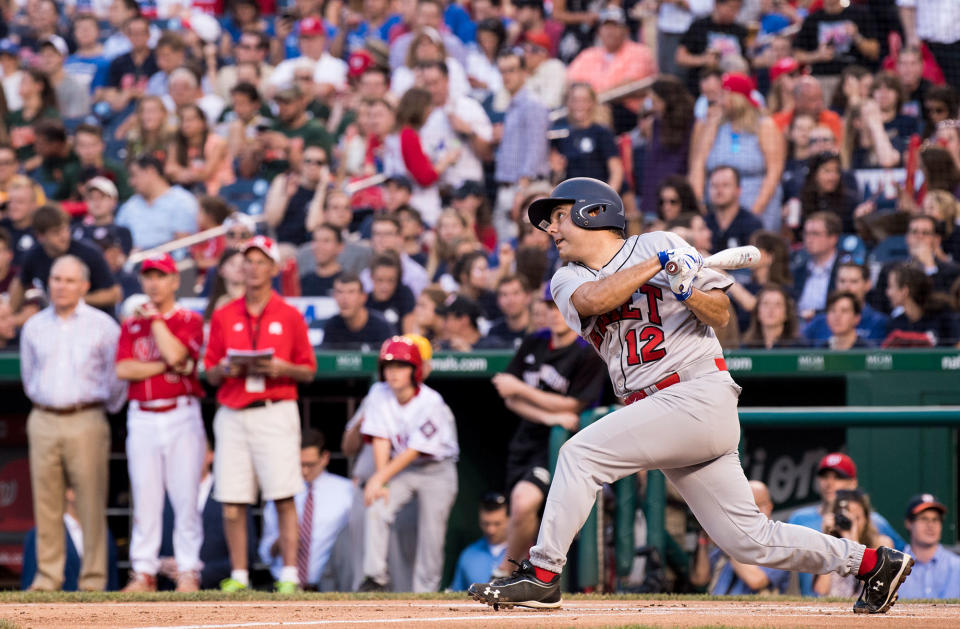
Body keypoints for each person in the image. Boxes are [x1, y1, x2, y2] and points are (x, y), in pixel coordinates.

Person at [467, 177, 914, 614]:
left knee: (578, 455)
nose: (552, 229)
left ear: (593, 213)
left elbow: (720, 314)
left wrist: (686, 289)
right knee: (749, 539)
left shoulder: (658, 241)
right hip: (659, 410)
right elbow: (596, 299)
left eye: (560, 217)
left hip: (697, 392)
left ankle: (543, 576)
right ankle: (874, 563)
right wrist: (659, 266)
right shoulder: (567, 278)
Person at [203, 236, 317, 593]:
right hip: (234, 409)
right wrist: (224, 368)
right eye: (247, 261)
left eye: (259, 261)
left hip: (274, 408)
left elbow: (309, 370)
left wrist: (282, 366)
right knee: (232, 500)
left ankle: (288, 574)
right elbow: (208, 371)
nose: (252, 267)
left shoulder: (290, 314)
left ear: (273, 268)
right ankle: (239, 575)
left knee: (283, 494)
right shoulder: (224, 314)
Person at [20, 255, 127, 591]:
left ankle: (93, 580)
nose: (61, 286)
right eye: (56, 279)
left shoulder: (104, 325)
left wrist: (98, 409)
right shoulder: (34, 326)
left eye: (69, 280)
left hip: (87, 416)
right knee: (46, 502)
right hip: (43, 416)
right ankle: (47, 577)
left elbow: (117, 381)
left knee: (91, 500)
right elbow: (28, 376)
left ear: (84, 285)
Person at [489, 285, 606, 578]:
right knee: (519, 509)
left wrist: (523, 391)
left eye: (561, 306)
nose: (555, 314)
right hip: (526, 440)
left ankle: (506, 571)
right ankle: (517, 573)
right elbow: (509, 394)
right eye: (550, 306)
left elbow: (574, 405)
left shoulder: (588, 350)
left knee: (524, 502)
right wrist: (546, 412)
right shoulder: (535, 342)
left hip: (562, 445)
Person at [114, 253, 206, 593]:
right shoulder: (130, 323)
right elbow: (123, 370)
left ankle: (187, 569)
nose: (153, 283)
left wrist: (156, 322)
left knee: (185, 496)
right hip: (142, 414)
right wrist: (167, 367)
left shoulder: (188, 319)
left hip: (181, 412)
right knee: (145, 497)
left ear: (173, 281)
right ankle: (143, 571)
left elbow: (178, 356)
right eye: (148, 276)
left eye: (160, 276)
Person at [359, 336, 459, 592]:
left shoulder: (431, 401)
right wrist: (381, 480)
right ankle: (375, 578)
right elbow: (380, 438)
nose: (393, 373)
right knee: (377, 505)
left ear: (415, 370)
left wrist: (380, 477)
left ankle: (426, 591)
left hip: (437, 470)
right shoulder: (378, 393)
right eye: (389, 366)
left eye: (401, 366)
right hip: (403, 469)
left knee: (431, 534)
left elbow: (414, 450)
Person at [787, 452, 906, 596]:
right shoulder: (799, 518)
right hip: (815, 604)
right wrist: (827, 537)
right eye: (825, 476)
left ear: (853, 483)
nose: (829, 484)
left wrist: (854, 540)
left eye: (838, 477)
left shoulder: (877, 522)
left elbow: (899, 563)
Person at [259, 430, 353, 590]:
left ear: (325, 458)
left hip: (330, 587)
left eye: (310, 464)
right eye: (299, 464)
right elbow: (264, 553)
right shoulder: (281, 492)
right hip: (283, 586)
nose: (304, 471)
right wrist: (281, 542)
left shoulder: (347, 492)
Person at [690, 73, 785, 231]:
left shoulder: (764, 126)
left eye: (724, 95)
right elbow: (698, 164)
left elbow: (774, 172)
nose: (719, 101)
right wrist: (699, 204)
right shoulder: (714, 124)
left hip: (756, 205)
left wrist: (754, 212)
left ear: (737, 98)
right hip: (718, 211)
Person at [13, 205, 121, 315]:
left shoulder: (89, 253)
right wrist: (10, 313)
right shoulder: (34, 255)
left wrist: (74, 299)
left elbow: (114, 294)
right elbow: (20, 282)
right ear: (40, 236)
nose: (64, 236)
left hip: (94, 320)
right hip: (55, 320)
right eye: (56, 232)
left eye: (66, 229)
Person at [564, 6, 656, 134]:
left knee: (600, 111)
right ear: (599, 31)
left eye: (615, 26)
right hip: (587, 107)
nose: (610, 31)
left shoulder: (639, 52)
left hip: (625, 111)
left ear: (626, 30)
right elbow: (570, 81)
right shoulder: (589, 54)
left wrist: (591, 98)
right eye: (606, 26)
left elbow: (630, 85)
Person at [691, 481, 790, 595]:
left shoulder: (778, 543)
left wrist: (728, 543)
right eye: (744, 507)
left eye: (755, 506)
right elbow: (700, 579)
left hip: (754, 610)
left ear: (768, 507)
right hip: (718, 608)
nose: (748, 512)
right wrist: (703, 538)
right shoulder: (732, 539)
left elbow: (756, 580)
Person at [492, 50, 549, 243]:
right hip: (510, 187)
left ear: (524, 72)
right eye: (502, 71)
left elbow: (536, 149)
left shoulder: (532, 104)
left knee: (521, 246)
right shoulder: (513, 104)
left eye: (511, 70)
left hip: (524, 189)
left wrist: (521, 191)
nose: (506, 76)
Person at [20, 488, 120, 591]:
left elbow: (112, 587)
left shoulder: (105, 534)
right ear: (68, 492)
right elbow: (29, 588)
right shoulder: (39, 534)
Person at [813, 490, 894, 598]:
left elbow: (876, 590)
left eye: (856, 518)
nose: (851, 523)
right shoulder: (831, 546)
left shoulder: (881, 544)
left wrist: (855, 544)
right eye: (846, 518)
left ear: (866, 519)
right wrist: (827, 538)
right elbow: (821, 590)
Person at [116, 155, 199, 254]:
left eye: (134, 175)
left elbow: (183, 244)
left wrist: (148, 254)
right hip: (133, 263)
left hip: (170, 264)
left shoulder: (182, 200)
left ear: (151, 171)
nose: (131, 182)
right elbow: (118, 239)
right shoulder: (129, 206)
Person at [550, 83, 623, 191]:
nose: (579, 105)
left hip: (597, 193)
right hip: (570, 194)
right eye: (575, 100)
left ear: (592, 103)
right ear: (568, 102)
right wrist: (557, 172)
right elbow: (556, 174)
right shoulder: (560, 132)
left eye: (584, 100)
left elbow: (616, 170)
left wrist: (608, 197)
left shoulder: (602, 132)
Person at [803, 263, 889, 344]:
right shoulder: (819, 323)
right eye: (842, 281)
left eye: (853, 281)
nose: (847, 287)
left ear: (867, 284)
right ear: (836, 283)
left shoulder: (879, 323)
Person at [676, 0, 748, 96]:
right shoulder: (699, 26)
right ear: (717, 5)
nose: (734, 13)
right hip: (701, 88)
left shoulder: (740, 30)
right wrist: (703, 60)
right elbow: (680, 57)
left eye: (737, 9)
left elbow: (747, 60)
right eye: (731, 8)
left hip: (733, 90)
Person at [898, 494, 960, 600]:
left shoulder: (957, 565)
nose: (930, 525)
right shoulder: (895, 566)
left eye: (935, 519)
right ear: (909, 523)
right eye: (924, 519)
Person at [884, 263, 960, 347]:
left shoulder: (944, 317)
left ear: (904, 291)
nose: (888, 293)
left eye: (891, 287)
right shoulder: (895, 325)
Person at [448, 492, 509, 591]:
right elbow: (455, 594)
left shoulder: (527, 553)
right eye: (485, 523)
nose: (491, 530)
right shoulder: (468, 554)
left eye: (497, 524)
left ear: (510, 520)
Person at [320, 273, 394, 350]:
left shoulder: (381, 326)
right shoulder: (331, 327)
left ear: (363, 297)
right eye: (339, 292)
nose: (344, 299)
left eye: (351, 292)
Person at [792, 212, 843, 321]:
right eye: (806, 234)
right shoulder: (797, 270)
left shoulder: (843, 271)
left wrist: (817, 314)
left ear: (833, 238)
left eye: (815, 234)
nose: (809, 239)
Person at [703, 166, 763, 254]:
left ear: (738, 190)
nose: (719, 191)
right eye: (714, 185)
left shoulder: (751, 224)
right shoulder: (703, 223)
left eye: (725, 185)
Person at [740, 284, 803, 349]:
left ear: (786, 313)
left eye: (777, 304)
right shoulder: (747, 346)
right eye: (766, 304)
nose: (771, 309)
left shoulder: (798, 347)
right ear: (758, 312)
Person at [487, 275, 532, 349]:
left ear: (527, 297)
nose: (510, 300)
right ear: (498, 300)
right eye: (504, 295)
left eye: (516, 293)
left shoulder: (539, 329)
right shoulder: (494, 332)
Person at [300, 224, 342, 297]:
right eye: (315, 240)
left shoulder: (348, 283)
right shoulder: (303, 282)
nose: (319, 246)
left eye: (326, 241)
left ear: (339, 247)